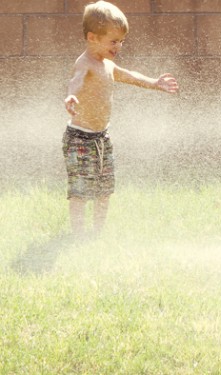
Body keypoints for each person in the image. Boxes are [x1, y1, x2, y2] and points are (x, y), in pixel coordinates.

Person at [63, 0, 179, 236]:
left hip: (102, 137)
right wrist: (71, 97)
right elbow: (74, 82)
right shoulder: (85, 63)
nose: (119, 46)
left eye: (121, 41)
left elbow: (129, 76)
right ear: (93, 37)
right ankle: (78, 235)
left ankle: (97, 234)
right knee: (80, 190)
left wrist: (155, 84)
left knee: (104, 189)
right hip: (80, 139)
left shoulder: (107, 64)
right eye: (113, 41)